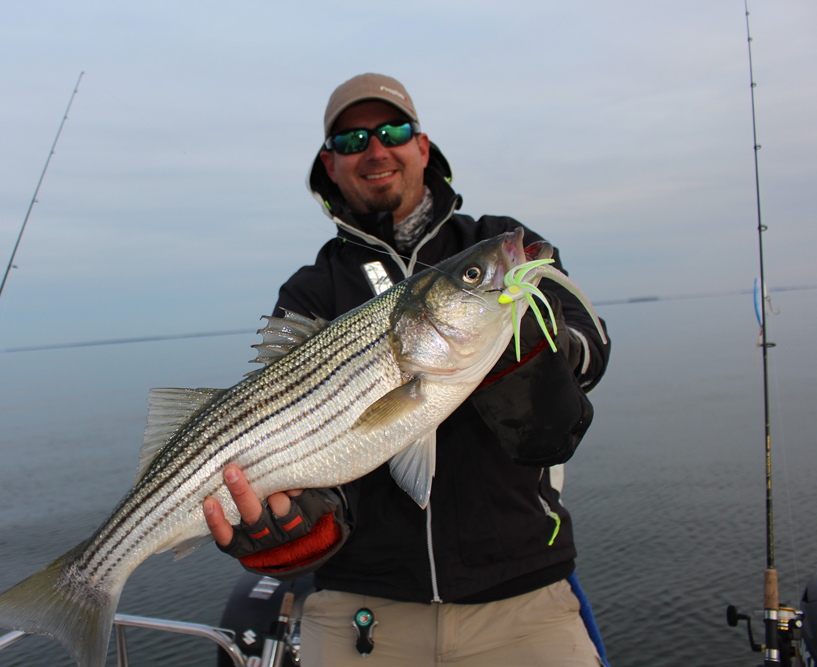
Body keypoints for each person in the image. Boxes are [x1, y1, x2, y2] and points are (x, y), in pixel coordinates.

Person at [202, 73, 611, 666]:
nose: (375, 149)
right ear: (330, 164)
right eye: (352, 140)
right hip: (360, 611)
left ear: (422, 147)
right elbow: (311, 454)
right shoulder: (313, 290)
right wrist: (293, 526)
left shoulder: (498, 244)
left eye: (393, 130)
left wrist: (539, 344)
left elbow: (589, 351)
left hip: (524, 600)